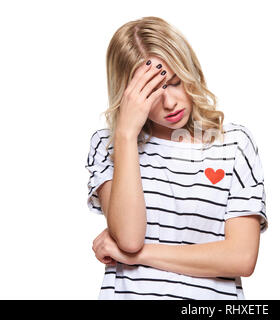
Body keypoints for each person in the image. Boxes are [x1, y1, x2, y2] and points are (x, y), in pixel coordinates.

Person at [85, 16, 268, 300]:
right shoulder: (108, 145)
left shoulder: (234, 144)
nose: (169, 103)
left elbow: (241, 257)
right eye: (150, 92)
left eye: (173, 82)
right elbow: (130, 238)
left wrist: (140, 256)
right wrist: (125, 136)